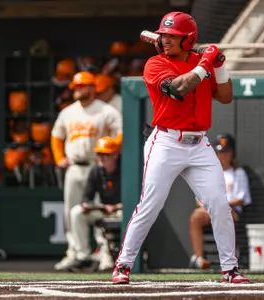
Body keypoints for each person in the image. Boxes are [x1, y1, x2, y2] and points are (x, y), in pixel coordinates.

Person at [112, 12, 250, 284]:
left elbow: (225, 96)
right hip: (166, 141)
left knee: (220, 206)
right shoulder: (155, 64)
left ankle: (230, 269)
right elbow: (179, 88)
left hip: (199, 143)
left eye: (172, 37)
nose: (164, 40)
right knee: (150, 205)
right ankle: (123, 264)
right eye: (163, 35)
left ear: (188, 40)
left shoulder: (203, 62)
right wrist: (206, 64)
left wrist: (219, 65)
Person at [51, 71, 123, 271]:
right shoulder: (68, 112)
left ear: (92, 88)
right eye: (75, 87)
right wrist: (58, 158)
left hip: (98, 165)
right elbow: (56, 136)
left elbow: (121, 133)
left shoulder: (106, 111)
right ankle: (75, 253)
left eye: (81, 86)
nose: (77, 90)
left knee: (101, 210)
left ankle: (105, 254)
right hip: (74, 166)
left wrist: (110, 152)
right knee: (72, 211)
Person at [189, 133, 251, 269]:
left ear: (232, 154)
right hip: (210, 210)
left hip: (231, 211)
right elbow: (199, 199)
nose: (221, 156)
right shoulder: (209, 173)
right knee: (196, 216)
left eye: (225, 152)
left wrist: (221, 205)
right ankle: (199, 259)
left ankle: (230, 262)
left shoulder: (238, 172)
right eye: (219, 152)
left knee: (226, 213)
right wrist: (211, 206)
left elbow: (241, 198)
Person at [67, 137, 122, 272]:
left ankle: (117, 257)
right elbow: (87, 198)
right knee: (77, 212)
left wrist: (116, 207)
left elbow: (136, 198)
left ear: (115, 155)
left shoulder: (125, 169)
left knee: (125, 214)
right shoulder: (96, 171)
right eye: (99, 154)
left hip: (123, 210)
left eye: (105, 154)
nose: (101, 158)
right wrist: (91, 206)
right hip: (104, 209)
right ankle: (83, 256)